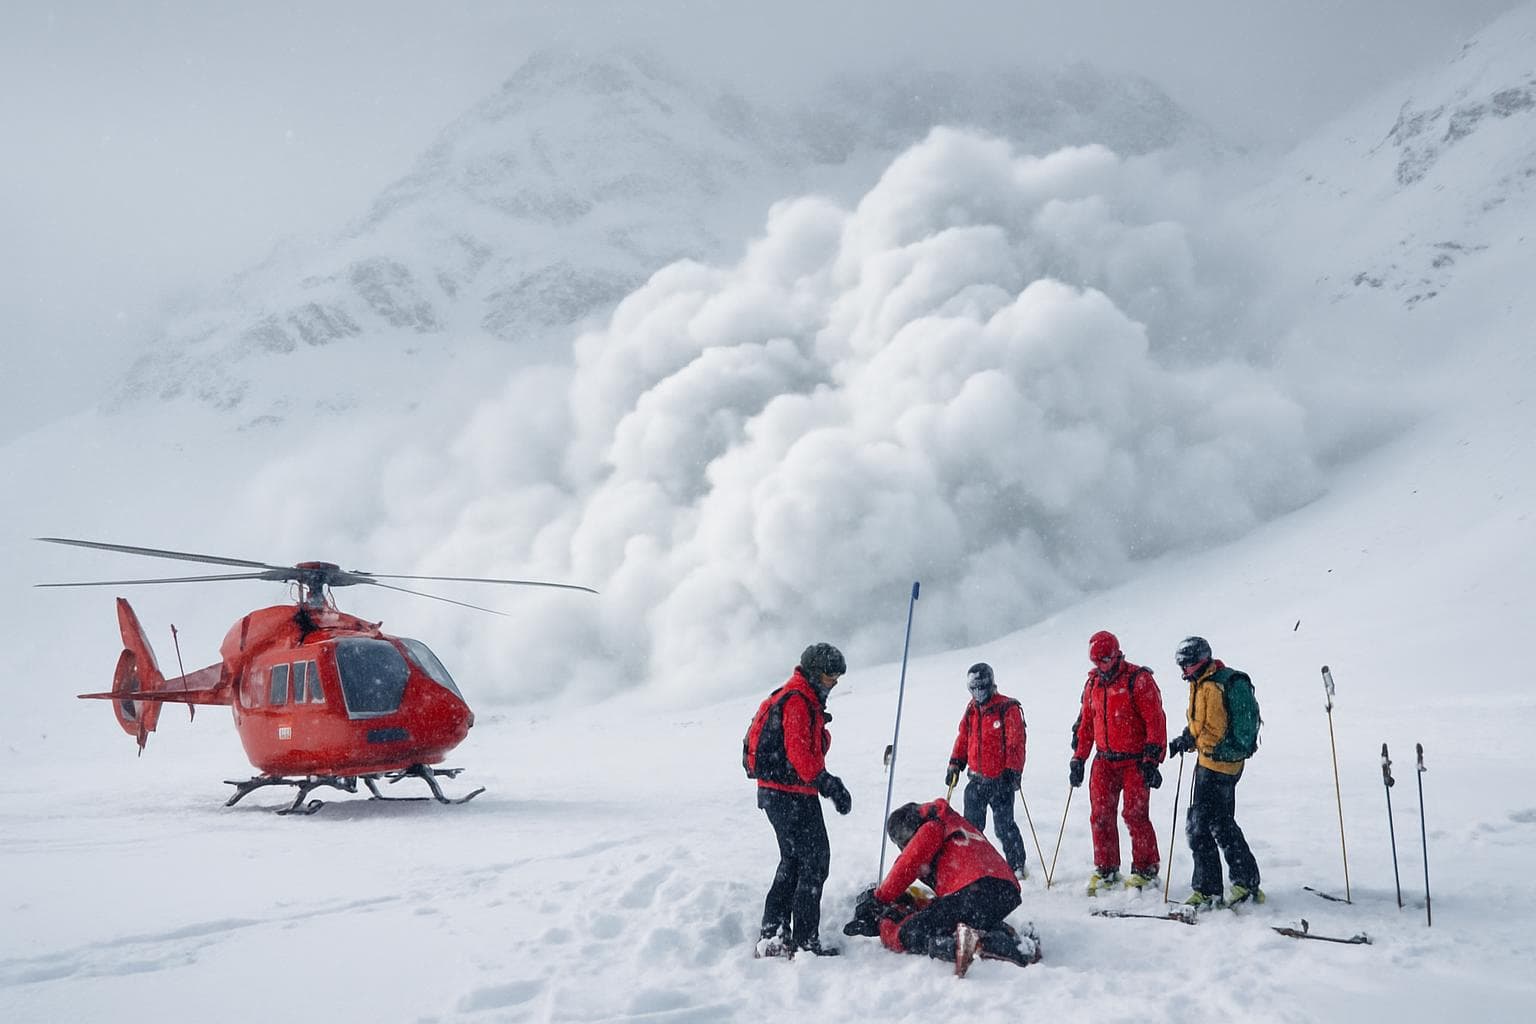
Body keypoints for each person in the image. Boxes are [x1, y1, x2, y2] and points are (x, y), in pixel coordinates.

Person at [843, 799, 1040, 975]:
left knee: (911, 931)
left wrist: (880, 901)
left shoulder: (931, 827)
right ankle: (1017, 943)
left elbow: (908, 863)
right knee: (956, 917)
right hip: (1002, 890)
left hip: (975, 888)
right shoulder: (951, 824)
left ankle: (967, 944)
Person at [752, 642, 853, 958]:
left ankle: (774, 934)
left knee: (793, 861)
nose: (833, 683)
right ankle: (804, 941)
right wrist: (829, 784)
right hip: (789, 795)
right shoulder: (797, 701)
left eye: (836, 678)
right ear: (813, 673)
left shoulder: (802, 698)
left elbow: (805, 750)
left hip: (782, 793)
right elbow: (799, 755)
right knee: (814, 861)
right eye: (828, 677)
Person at [1069, 629, 1168, 893]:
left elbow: (1155, 721)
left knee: (1135, 815)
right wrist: (1079, 757)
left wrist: (1152, 759)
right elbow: (1087, 725)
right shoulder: (1092, 685)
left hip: (1135, 761)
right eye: (1095, 661)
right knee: (1100, 816)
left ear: (1116, 654)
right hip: (1103, 761)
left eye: (1105, 659)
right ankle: (1106, 869)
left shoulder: (1138, 679)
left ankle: (1146, 870)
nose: (1100, 665)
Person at [1168, 636, 1263, 907]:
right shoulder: (1201, 684)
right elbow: (1205, 723)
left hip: (1221, 767)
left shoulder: (1221, 684)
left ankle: (1209, 890)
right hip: (1208, 764)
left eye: (1186, 665)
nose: (1183, 671)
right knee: (1220, 823)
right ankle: (1245, 881)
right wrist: (1187, 739)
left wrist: (1212, 748)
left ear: (1199, 661)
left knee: (1200, 827)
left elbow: (1224, 730)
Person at [945, 662, 1030, 881]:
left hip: (1000, 780)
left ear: (991, 684)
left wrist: (1014, 770)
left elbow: (1016, 741)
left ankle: (1017, 866)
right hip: (975, 780)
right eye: (974, 688)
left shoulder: (1007, 708)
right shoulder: (972, 709)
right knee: (971, 828)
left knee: (1004, 826)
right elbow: (963, 737)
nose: (979, 692)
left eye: (982, 687)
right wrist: (955, 763)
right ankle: (973, 866)